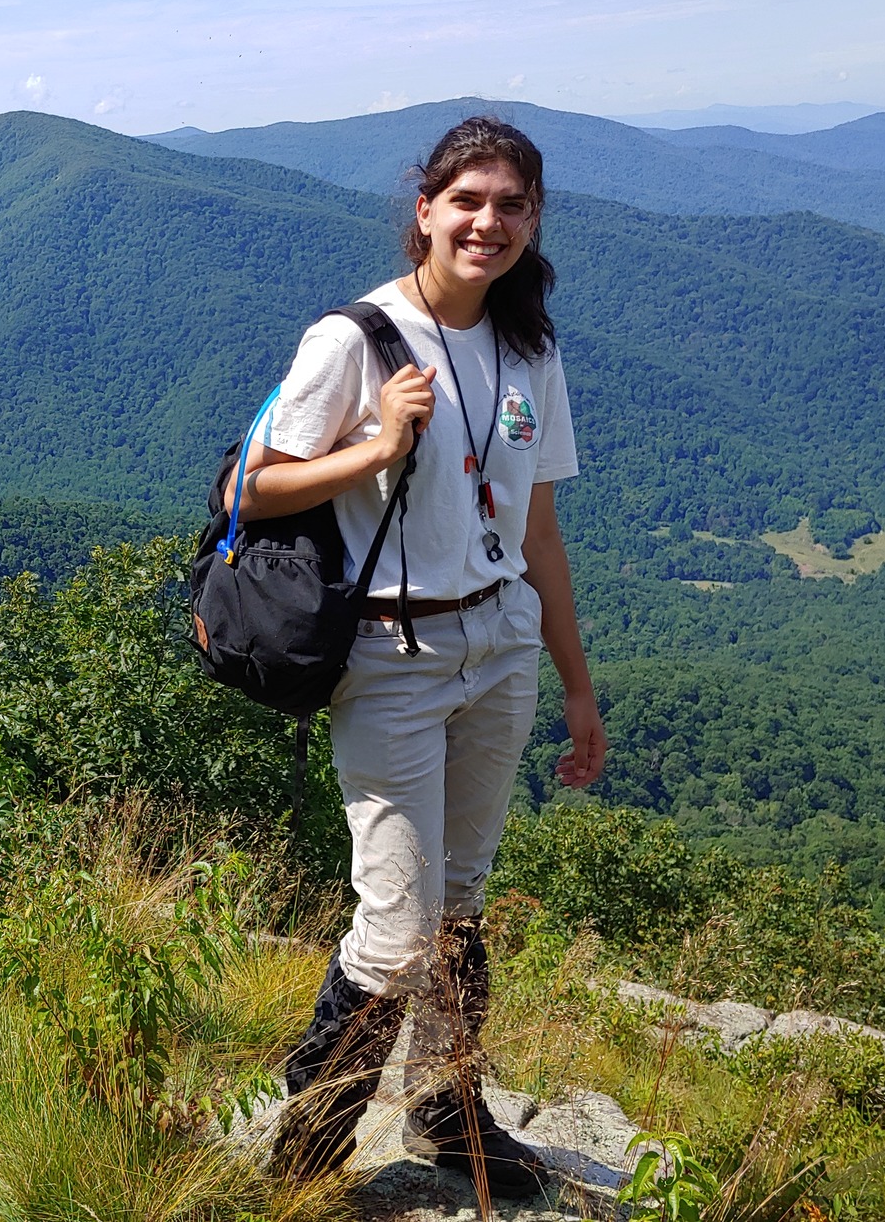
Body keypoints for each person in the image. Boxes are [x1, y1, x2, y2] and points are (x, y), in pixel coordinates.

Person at [234, 116, 607, 1193]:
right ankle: (302, 1157)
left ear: (533, 220)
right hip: (391, 656)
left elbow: (537, 535)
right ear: (424, 210)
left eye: (511, 205)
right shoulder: (355, 340)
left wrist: (577, 688)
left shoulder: (528, 348)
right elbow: (245, 490)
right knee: (396, 931)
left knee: (457, 905)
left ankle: (449, 1117)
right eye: (468, 202)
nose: (488, 222)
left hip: (497, 642)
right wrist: (376, 446)